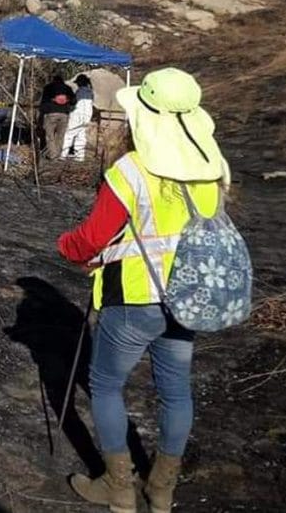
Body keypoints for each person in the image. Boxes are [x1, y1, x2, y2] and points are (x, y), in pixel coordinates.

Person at [57, 68, 231, 513]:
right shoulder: (212, 171)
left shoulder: (132, 170)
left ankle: (118, 490)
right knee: (175, 392)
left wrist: (68, 248)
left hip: (134, 298)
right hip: (188, 298)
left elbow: (92, 238)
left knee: (105, 385)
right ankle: (162, 490)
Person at [39, 74, 77, 160]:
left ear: (53, 80)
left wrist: (43, 111)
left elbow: (43, 102)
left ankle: (53, 155)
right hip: (64, 114)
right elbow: (74, 101)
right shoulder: (68, 88)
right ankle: (58, 154)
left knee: (50, 136)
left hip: (51, 113)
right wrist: (67, 102)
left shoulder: (48, 88)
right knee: (60, 136)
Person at [62, 74, 95, 161]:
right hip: (87, 116)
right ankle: (79, 156)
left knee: (69, 134)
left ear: (80, 83)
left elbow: (73, 102)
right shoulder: (90, 92)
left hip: (77, 116)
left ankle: (63, 154)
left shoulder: (79, 92)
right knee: (81, 135)